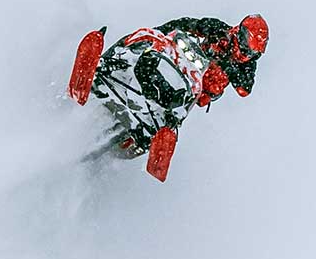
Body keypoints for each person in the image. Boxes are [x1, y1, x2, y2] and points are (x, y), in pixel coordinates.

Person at [72, 14, 269, 178]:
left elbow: (245, 89)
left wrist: (230, 68)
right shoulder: (219, 28)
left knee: (186, 101)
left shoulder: (247, 65)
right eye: (245, 45)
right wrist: (164, 29)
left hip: (199, 86)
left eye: (252, 52)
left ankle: (164, 129)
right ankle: (111, 62)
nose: (246, 52)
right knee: (152, 42)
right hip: (185, 60)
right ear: (240, 32)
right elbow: (192, 24)